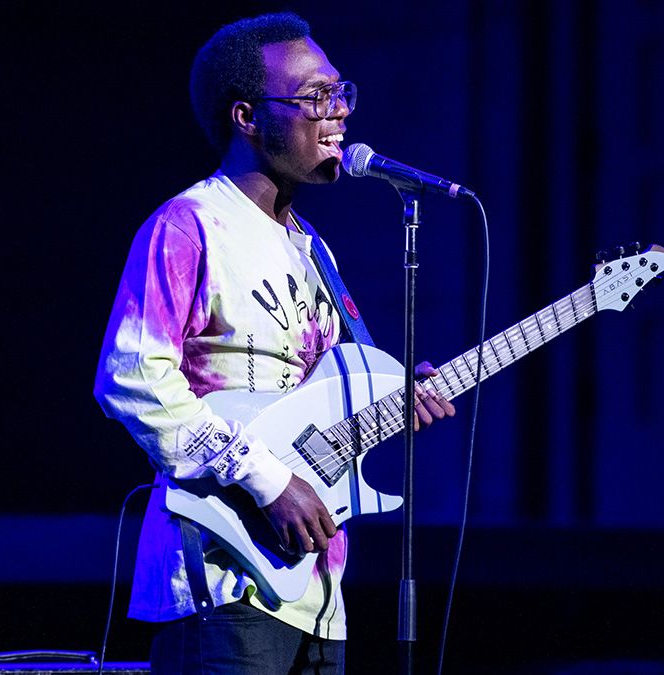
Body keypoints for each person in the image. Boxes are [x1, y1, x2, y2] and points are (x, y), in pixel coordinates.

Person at [93, 11, 454, 674]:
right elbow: (131, 378)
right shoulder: (190, 223)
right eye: (316, 96)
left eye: (340, 93)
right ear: (247, 117)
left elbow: (310, 408)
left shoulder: (315, 249)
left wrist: (394, 400)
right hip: (223, 580)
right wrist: (267, 480)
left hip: (317, 590)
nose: (338, 111)